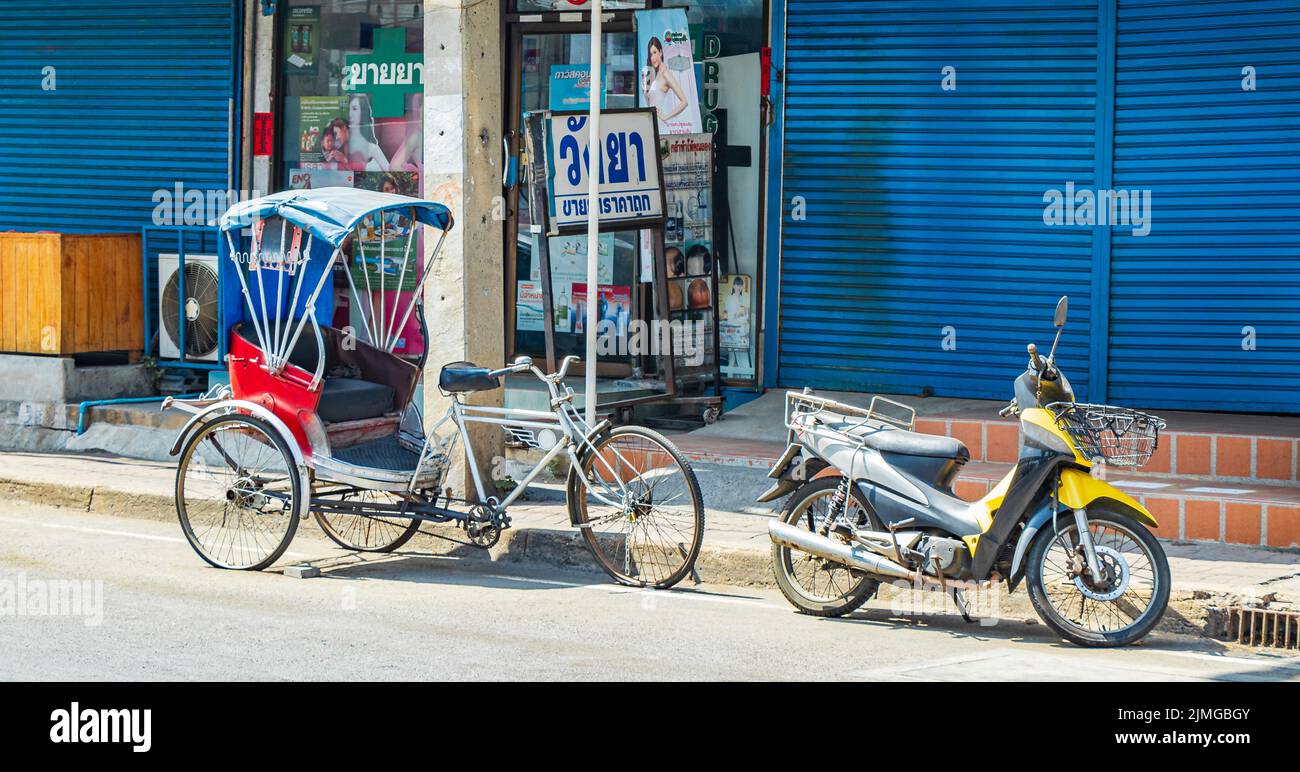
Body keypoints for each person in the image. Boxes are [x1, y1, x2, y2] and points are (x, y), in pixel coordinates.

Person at [642, 36, 689, 126]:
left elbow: (684, 102)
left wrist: (665, 116)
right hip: (650, 121)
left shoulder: (666, 74)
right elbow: (649, 102)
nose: (653, 58)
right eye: (650, 54)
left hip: (660, 124)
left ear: (660, 52)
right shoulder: (651, 73)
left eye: (655, 52)